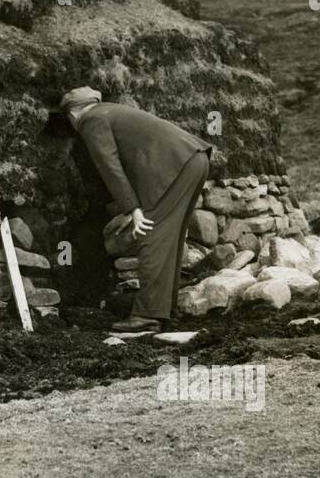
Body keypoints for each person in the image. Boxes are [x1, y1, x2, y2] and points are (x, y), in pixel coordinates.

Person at [61, 86, 212, 331]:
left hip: (174, 167)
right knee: (168, 238)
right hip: (194, 159)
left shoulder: (91, 119)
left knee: (150, 234)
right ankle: (164, 309)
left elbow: (109, 165)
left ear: (73, 114)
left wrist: (132, 209)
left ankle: (148, 315)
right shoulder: (111, 111)